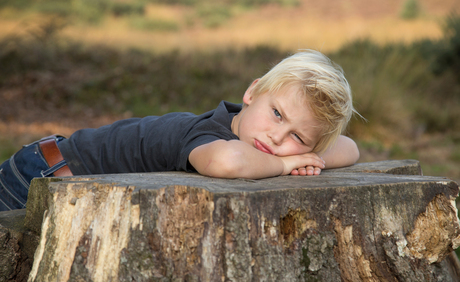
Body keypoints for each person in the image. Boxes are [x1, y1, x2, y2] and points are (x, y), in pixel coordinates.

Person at [0, 49, 360, 211]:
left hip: (70, 187)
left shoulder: (257, 137)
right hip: (40, 175)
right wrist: (287, 163)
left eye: (298, 137)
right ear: (252, 93)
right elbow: (229, 163)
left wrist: (310, 155)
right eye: (277, 114)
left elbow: (350, 148)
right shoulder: (209, 133)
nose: (277, 138)